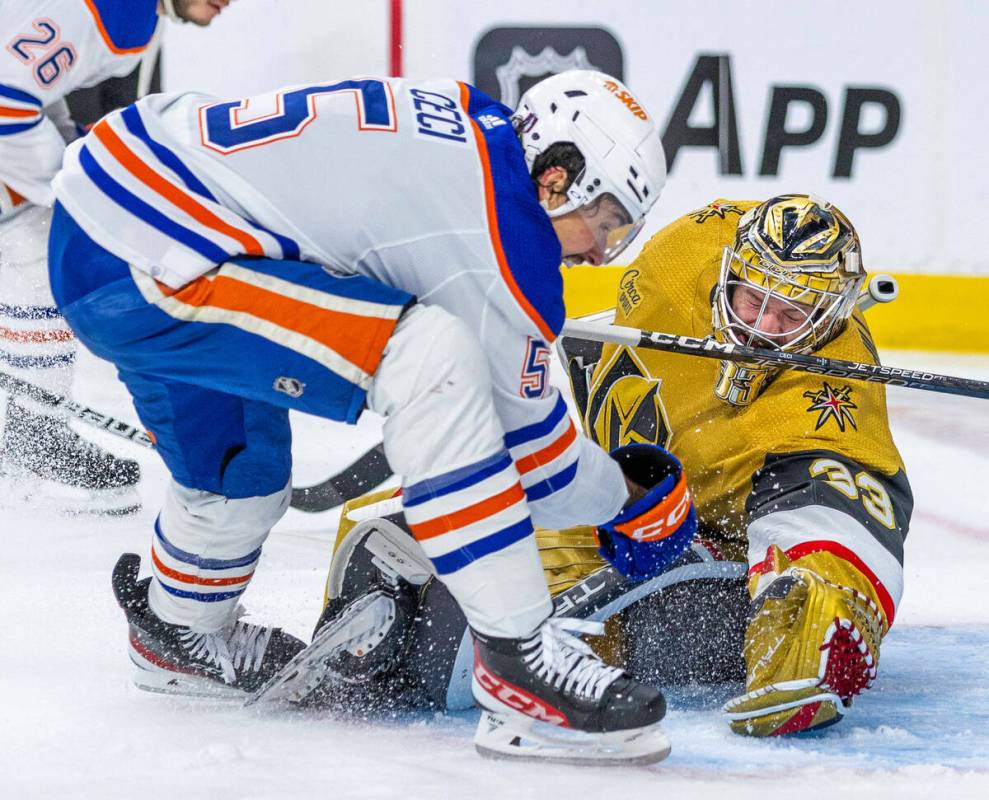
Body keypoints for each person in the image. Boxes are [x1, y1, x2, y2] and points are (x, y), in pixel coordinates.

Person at [49, 68, 694, 764]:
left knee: (240, 467)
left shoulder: (470, 117)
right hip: (153, 260)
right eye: (602, 223)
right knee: (432, 360)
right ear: (556, 178)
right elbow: (542, 467)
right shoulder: (503, 237)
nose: (599, 251)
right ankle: (521, 667)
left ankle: (178, 631)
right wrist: (631, 501)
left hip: (118, 208)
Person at [314, 194, 912, 739]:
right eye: (754, 299)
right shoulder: (681, 261)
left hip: (718, 546)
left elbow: (837, 514)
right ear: (729, 272)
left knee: (656, 613)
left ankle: (466, 638)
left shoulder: (835, 392)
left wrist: (818, 624)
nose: (762, 327)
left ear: (834, 312)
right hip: (638, 492)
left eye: (791, 313)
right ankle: (393, 588)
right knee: (435, 518)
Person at [0, 0, 233, 514]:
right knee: (42, 249)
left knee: (36, 252)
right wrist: (62, 185)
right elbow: (6, 99)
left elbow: (31, 90)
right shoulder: (122, 10)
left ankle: (27, 432)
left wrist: (69, 151)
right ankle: (30, 436)